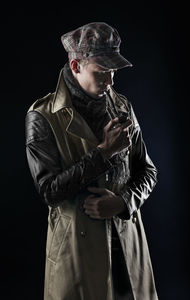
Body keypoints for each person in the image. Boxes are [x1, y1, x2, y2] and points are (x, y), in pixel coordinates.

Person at [25, 22, 158, 300]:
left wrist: (123, 202)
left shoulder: (122, 106)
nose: (110, 81)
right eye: (102, 72)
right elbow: (49, 191)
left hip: (127, 249)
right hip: (76, 255)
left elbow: (147, 171)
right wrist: (103, 153)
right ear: (76, 66)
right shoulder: (43, 116)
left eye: (113, 72)